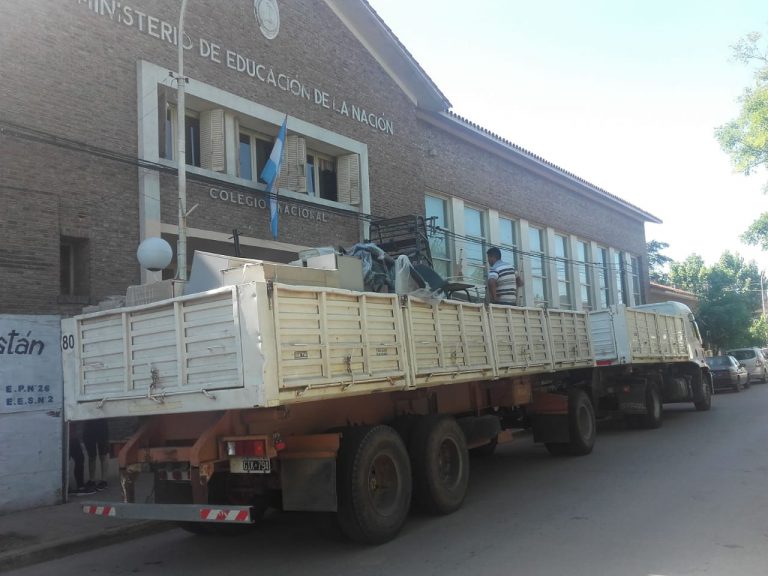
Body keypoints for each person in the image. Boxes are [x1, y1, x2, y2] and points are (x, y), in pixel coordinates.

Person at [68, 422, 95, 496]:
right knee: (66, 463)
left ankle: (80, 486)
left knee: (79, 459)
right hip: (65, 437)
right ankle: (67, 487)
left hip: (72, 437)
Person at [83, 419, 110, 491]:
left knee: (103, 455)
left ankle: (104, 480)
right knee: (91, 456)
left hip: (102, 426)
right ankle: (92, 480)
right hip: (89, 426)